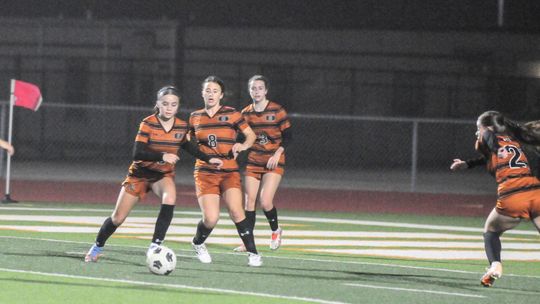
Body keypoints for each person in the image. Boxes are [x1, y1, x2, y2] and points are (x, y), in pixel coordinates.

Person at [84, 85, 222, 262]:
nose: (169, 108)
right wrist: (162, 155)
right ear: (158, 104)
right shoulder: (148, 123)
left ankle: (155, 245)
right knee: (117, 218)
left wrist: (209, 158)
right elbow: (137, 153)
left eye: (173, 104)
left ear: (178, 106)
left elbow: (188, 146)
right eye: (165, 104)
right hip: (139, 175)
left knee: (170, 196)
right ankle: (97, 247)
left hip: (161, 176)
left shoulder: (181, 126)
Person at [450, 111, 540, 287]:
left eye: (479, 128)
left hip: (512, 195)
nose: (477, 132)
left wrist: (486, 135)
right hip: (536, 192)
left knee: (491, 230)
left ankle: (495, 266)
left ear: (489, 128)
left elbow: (494, 148)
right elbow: (492, 157)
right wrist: (468, 164)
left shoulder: (488, 138)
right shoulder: (516, 142)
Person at [188, 76, 262, 267]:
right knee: (211, 218)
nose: (211, 94)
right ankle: (198, 243)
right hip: (205, 172)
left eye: (215, 91)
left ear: (221, 95)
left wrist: (242, 145)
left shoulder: (232, 114)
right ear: (202, 93)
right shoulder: (195, 117)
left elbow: (251, 136)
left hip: (229, 171)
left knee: (237, 212)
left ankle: (253, 252)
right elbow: (188, 144)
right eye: (207, 90)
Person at [233, 75, 292, 252]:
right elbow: (239, 138)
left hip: (273, 161)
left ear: (265, 90)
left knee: (265, 202)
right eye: (253, 88)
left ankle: (275, 230)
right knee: (248, 202)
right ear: (249, 90)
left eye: (260, 88)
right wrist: (236, 149)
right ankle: (248, 242)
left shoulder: (277, 110)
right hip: (254, 161)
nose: (256, 91)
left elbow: (289, 137)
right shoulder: (245, 113)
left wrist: (278, 153)